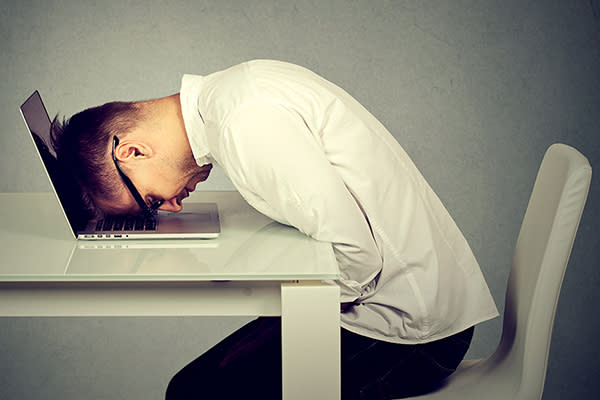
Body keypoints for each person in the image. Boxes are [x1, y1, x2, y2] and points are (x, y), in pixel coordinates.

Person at [51, 60, 498, 399]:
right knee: (191, 387)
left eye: (149, 201)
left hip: (409, 331)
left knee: (196, 394)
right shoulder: (231, 96)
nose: (168, 207)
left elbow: (358, 258)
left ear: (131, 150)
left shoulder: (247, 123)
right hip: (395, 305)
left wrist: (252, 286)